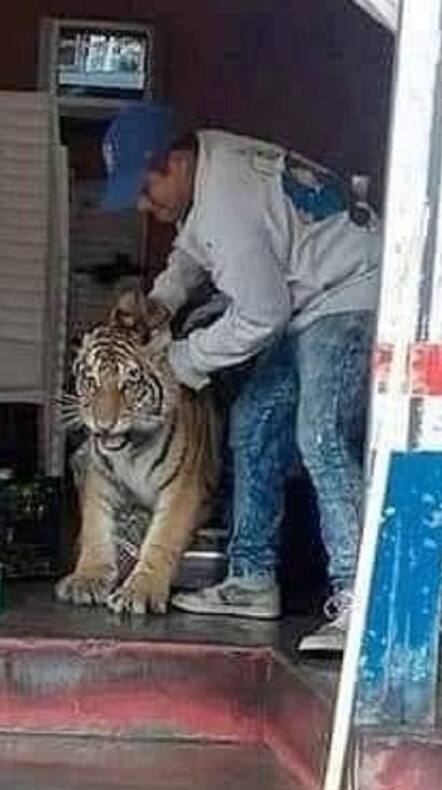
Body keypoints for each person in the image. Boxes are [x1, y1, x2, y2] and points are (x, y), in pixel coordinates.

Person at [99, 102, 381, 653]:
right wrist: (161, 301)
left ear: (175, 163)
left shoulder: (227, 205)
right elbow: (191, 250)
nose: (141, 203)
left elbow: (260, 314)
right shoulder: (211, 158)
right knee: (253, 424)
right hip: (308, 298)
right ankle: (250, 579)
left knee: (319, 435)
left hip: (349, 294)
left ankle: (359, 601)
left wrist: (180, 361)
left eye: (144, 187)